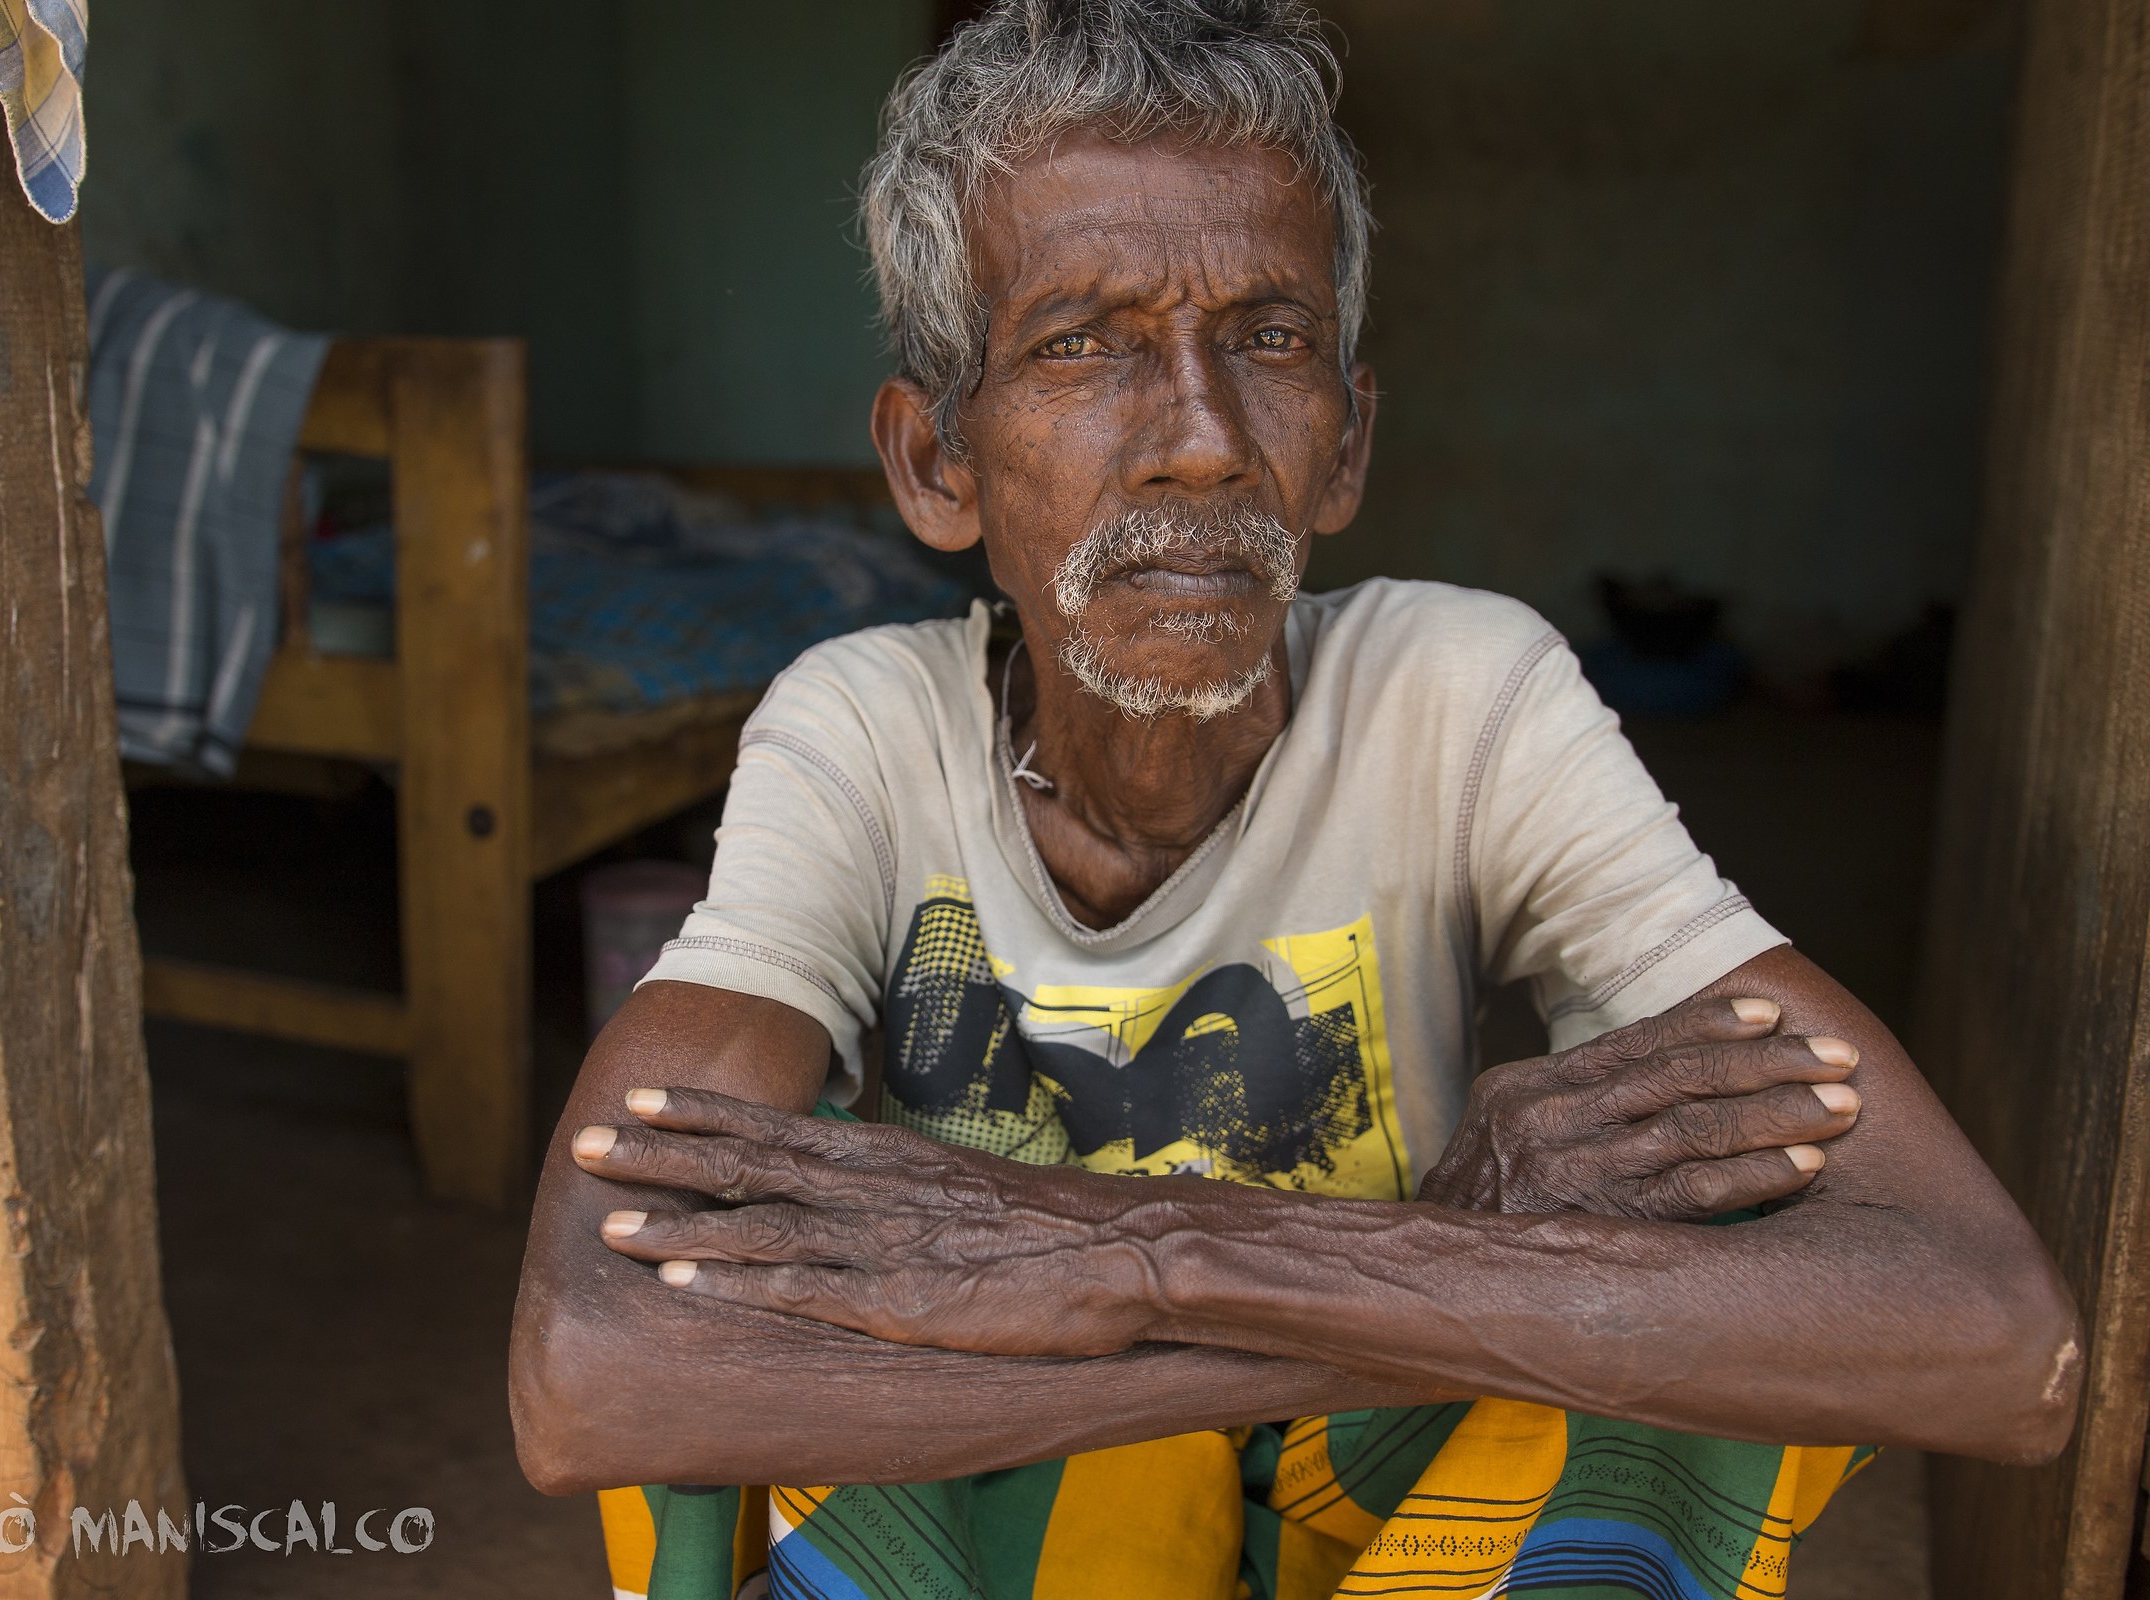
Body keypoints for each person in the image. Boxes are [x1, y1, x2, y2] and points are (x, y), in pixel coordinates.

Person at [509, 3, 2078, 1595]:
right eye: (1080, 344)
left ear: (1346, 445)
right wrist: (1458, 1265)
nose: (1202, 443)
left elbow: (1991, 1336)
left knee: (1731, 1271)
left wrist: (1146, 1263)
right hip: (1046, 1499)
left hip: (1383, 1508)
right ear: (938, 465)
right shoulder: (861, 727)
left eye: (1268, 338)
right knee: (754, 1238)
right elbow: (590, 1370)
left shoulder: (1463, 691)